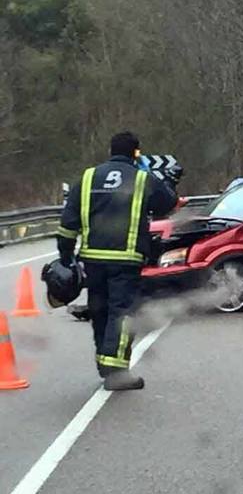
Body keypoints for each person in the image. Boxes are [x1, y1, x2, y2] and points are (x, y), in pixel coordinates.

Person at [56, 132, 178, 391]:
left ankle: (104, 364)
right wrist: (158, 178)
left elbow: (68, 223)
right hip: (126, 259)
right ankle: (116, 373)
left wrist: (65, 257)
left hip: (92, 260)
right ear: (136, 153)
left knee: (100, 311)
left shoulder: (88, 177)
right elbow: (168, 203)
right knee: (122, 314)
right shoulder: (143, 179)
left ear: (111, 150)